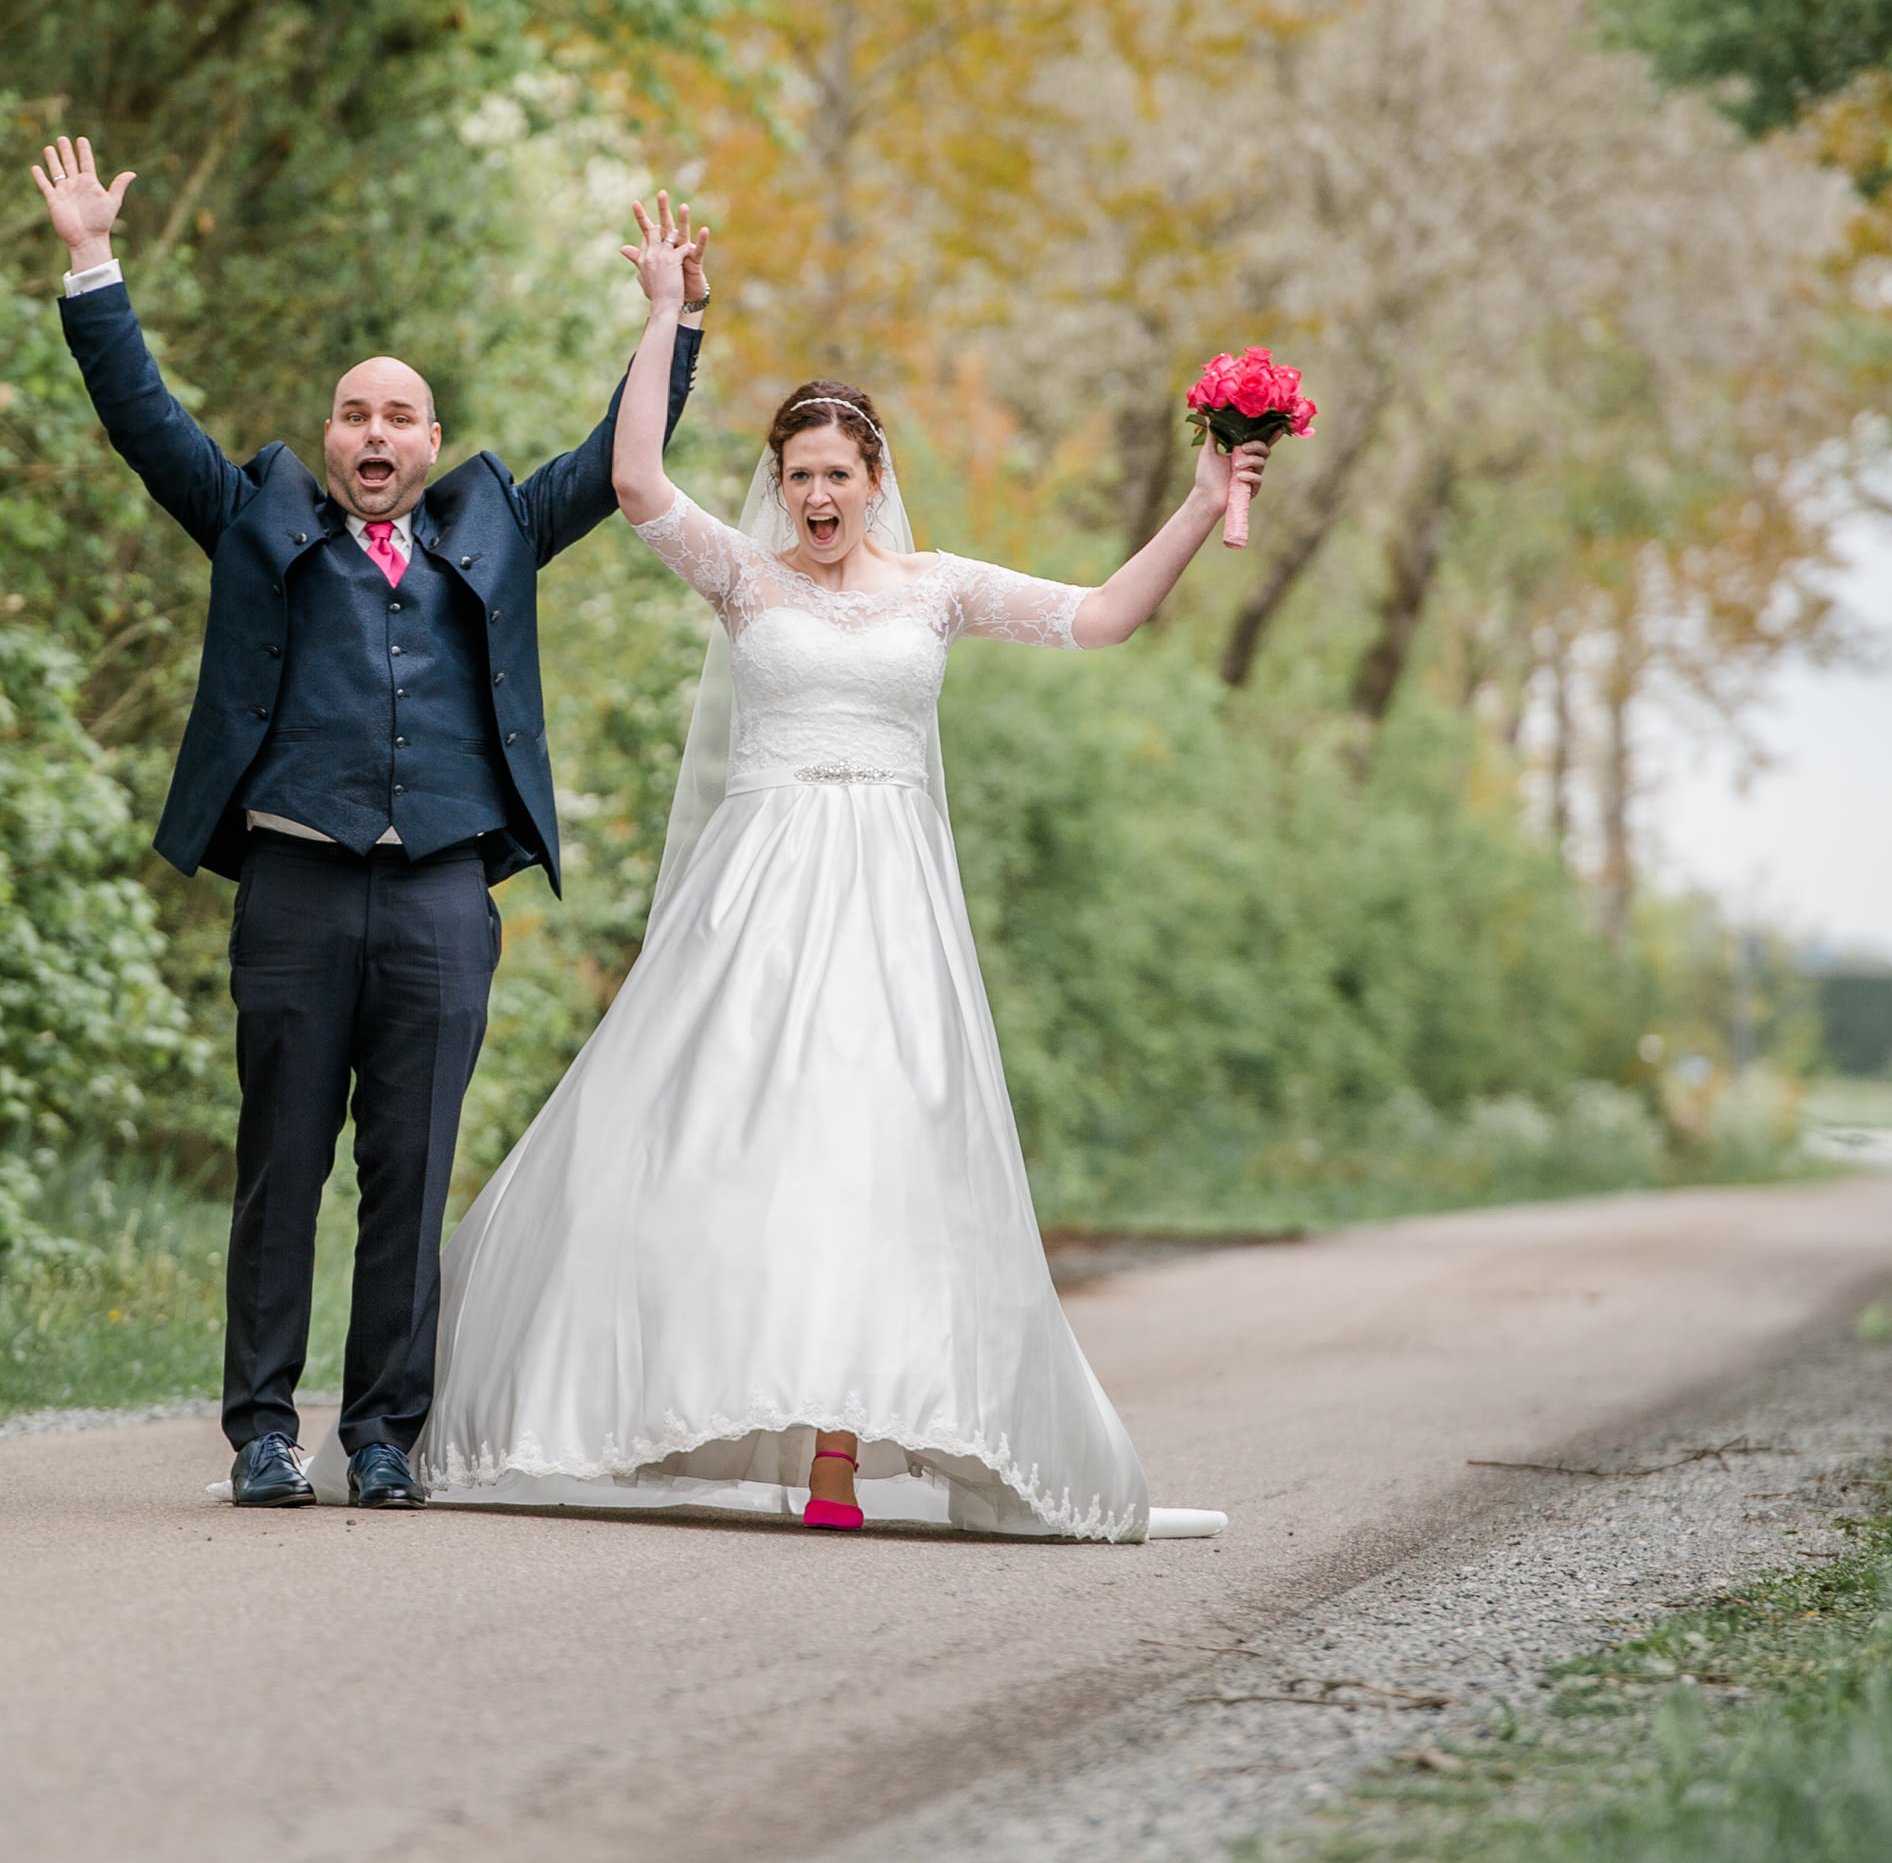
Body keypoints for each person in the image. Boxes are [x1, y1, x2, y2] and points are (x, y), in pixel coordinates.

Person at [410, 197, 1260, 1540]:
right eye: (796, 474)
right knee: (721, 1144)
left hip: (892, 904)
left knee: (871, 1151)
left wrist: (1203, 497)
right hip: (760, 893)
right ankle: (651, 1398)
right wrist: (663, 318)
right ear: (780, 482)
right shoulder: (747, 582)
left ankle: (840, 1458)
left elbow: (1098, 617)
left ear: (876, 478)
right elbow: (636, 483)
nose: (815, 497)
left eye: (836, 475)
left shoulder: (934, 587)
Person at [29, 138, 710, 1513]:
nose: (378, 435)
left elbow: (615, 461)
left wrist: (671, 321)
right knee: (282, 1165)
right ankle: (264, 1430)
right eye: (356, 415)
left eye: (403, 415)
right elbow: (147, 421)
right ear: (331, 439)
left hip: (445, 900)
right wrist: (92, 264)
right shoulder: (256, 524)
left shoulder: (499, 530)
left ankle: (385, 1432)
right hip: (293, 890)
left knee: (411, 1173)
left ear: (433, 439)